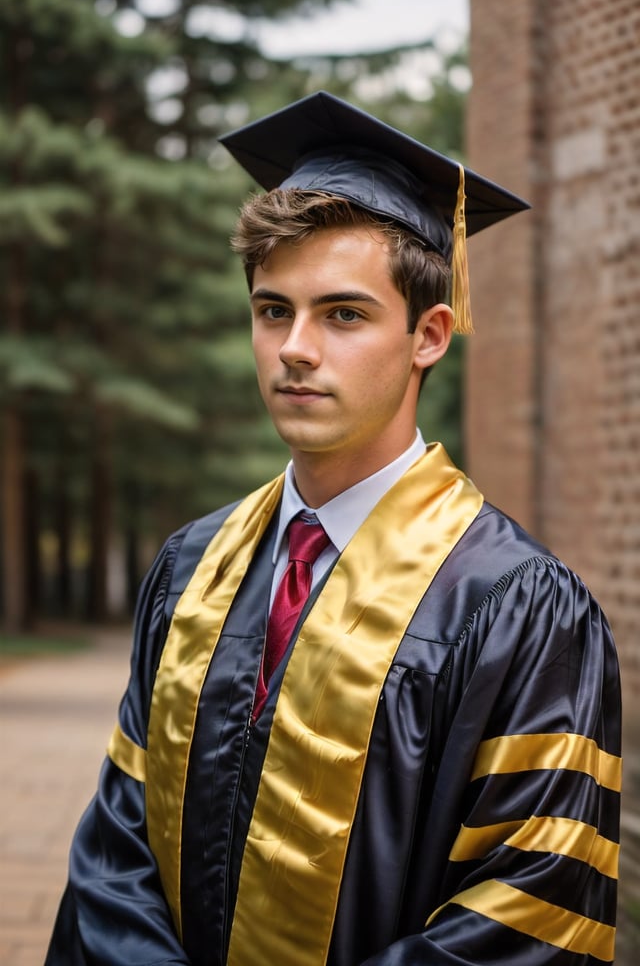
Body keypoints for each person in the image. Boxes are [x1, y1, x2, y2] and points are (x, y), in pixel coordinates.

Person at [46, 91, 621, 966]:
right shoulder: (193, 565)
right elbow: (120, 848)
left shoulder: (516, 606)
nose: (295, 349)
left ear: (430, 334)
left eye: (343, 314)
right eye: (273, 310)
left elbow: (530, 903)